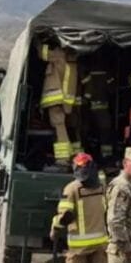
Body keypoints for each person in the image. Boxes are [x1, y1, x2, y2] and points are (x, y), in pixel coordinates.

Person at [51, 153, 110, 263]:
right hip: (100, 241)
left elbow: (66, 216)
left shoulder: (71, 189)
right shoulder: (102, 187)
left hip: (78, 245)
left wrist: (55, 227)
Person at [37, 40, 81, 170]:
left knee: (59, 128)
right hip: (65, 100)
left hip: (56, 99)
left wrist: (37, 41)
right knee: (68, 128)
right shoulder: (72, 59)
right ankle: (75, 156)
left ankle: (63, 160)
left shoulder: (58, 54)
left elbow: (42, 53)